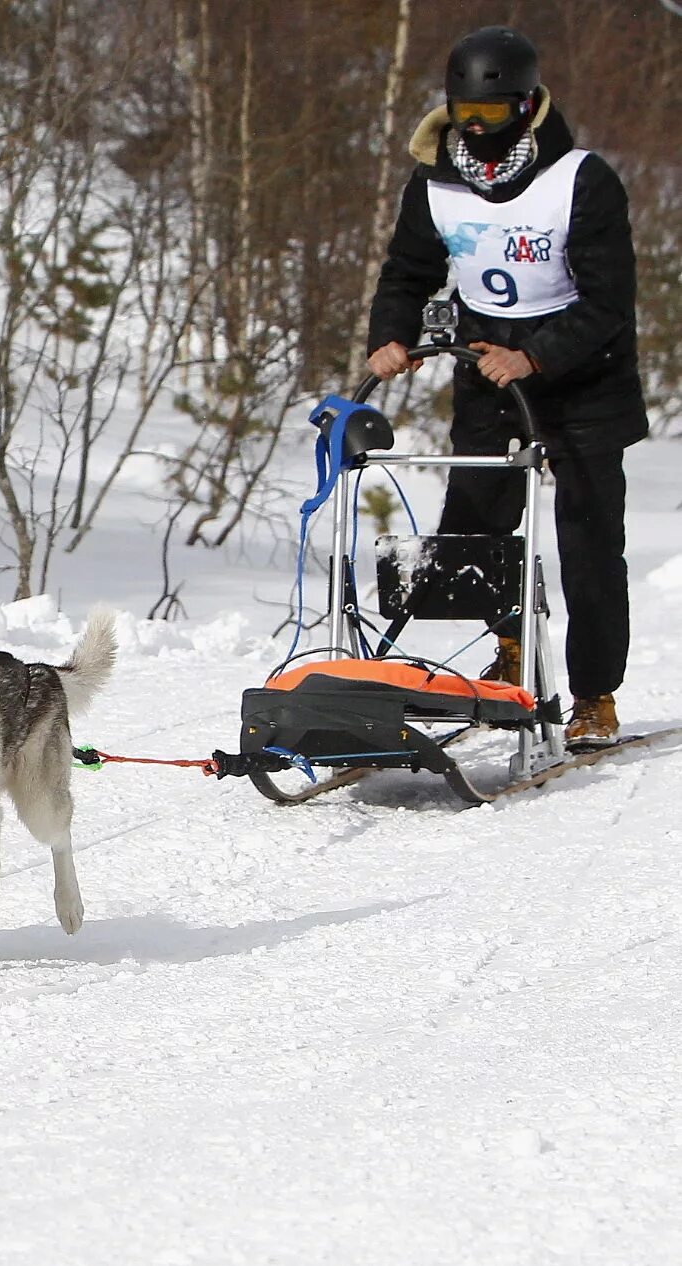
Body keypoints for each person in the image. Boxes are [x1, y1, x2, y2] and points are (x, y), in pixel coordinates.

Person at [367, 25, 646, 745]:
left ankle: (594, 695)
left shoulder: (581, 179)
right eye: (467, 117)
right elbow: (407, 270)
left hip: (583, 374)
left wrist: (536, 357)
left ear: (527, 109)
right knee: (475, 529)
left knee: (587, 541)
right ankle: (509, 648)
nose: (478, 132)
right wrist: (391, 337)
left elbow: (609, 301)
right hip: (486, 368)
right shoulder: (433, 181)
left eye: (493, 118)